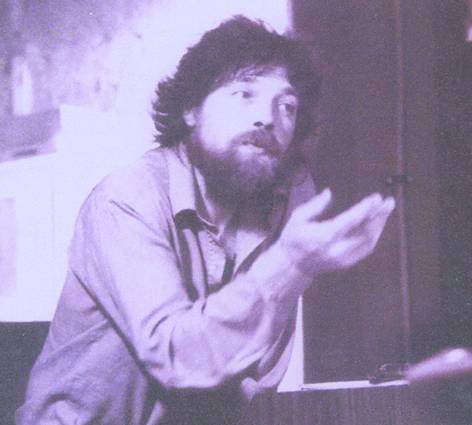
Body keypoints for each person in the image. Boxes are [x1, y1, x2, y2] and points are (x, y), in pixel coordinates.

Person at [16, 16, 395, 425]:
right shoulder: (126, 199)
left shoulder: (275, 208)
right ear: (191, 109)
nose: (268, 118)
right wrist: (289, 265)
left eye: (287, 106)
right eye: (244, 93)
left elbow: (255, 380)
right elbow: (176, 358)